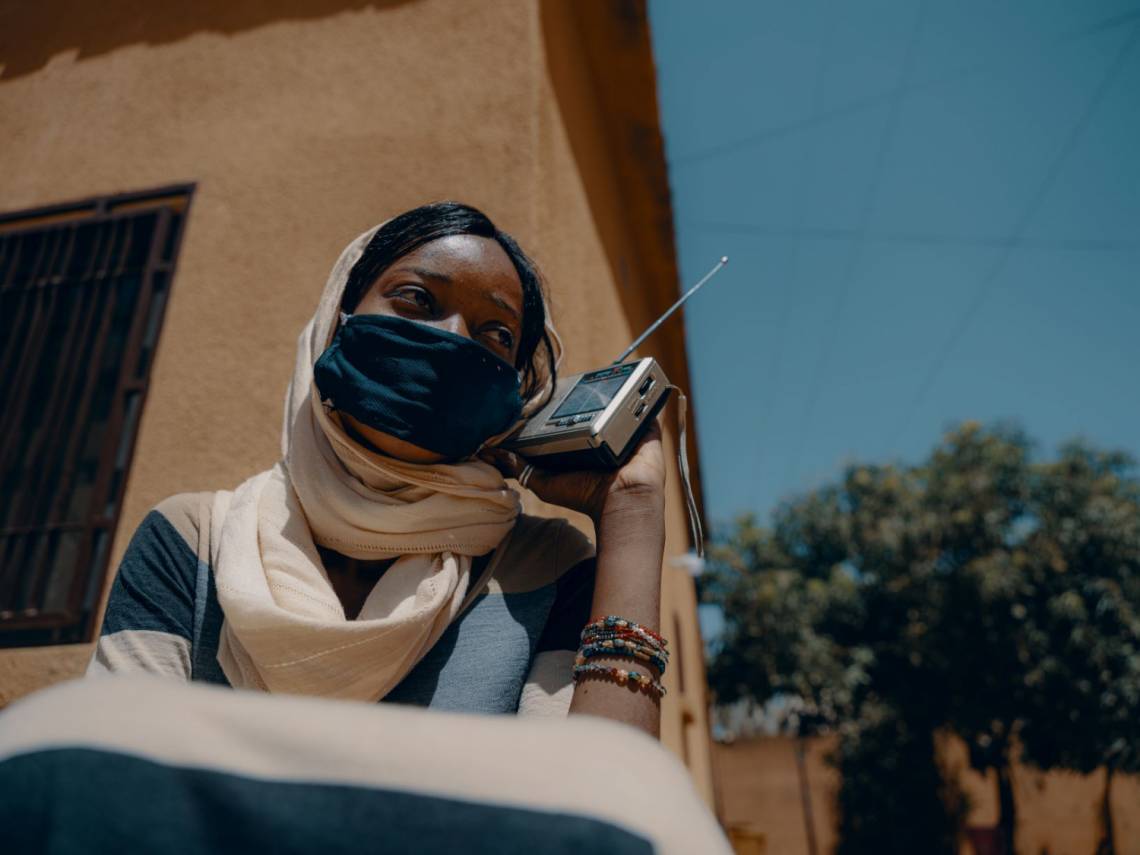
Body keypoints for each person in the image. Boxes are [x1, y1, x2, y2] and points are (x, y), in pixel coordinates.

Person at [88, 201, 670, 738]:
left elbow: (599, 795)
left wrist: (633, 513)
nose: (450, 341)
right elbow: (116, 783)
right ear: (337, 317)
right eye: (417, 299)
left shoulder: (547, 568)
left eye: (496, 333)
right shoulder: (194, 541)